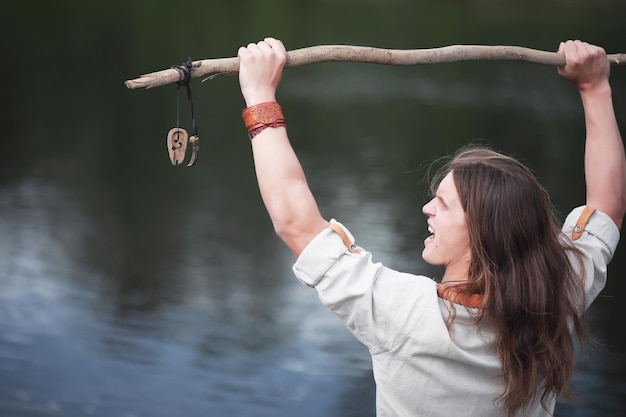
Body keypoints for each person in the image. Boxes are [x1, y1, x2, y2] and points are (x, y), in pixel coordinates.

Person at [236, 37, 625, 417]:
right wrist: (595, 85)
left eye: (442, 204)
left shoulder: (406, 316)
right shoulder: (558, 292)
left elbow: (296, 223)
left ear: (480, 233)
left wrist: (258, 95)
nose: (426, 209)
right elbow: (607, 206)